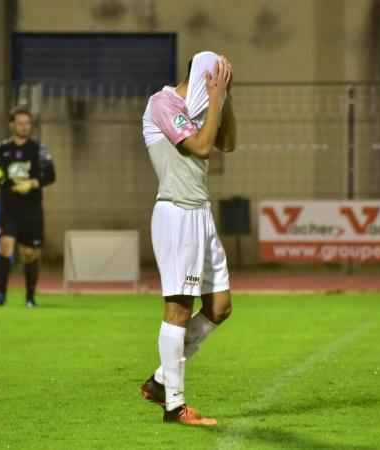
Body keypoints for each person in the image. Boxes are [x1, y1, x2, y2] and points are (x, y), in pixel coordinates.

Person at [139, 52, 236, 426]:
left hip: (200, 214)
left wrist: (227, 97)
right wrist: (213, 100)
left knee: (220, 307)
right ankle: (175, 407)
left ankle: (162, 380)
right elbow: (201, 147)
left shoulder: (203, 106)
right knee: (178, 308)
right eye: (215, 78)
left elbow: (227, 142)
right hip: (175, 213)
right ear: (199, 75)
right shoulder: (163, 103)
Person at [0, 106, 56, 308]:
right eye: (20, 123)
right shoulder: (2, 150)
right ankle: (1, 295)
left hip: (32, 210)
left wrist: (32, 183)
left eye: (27, 123)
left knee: (30, 254)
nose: (24, 127)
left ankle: (30, 297)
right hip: (9, 208)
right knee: (5, 245)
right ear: (12, 125)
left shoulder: (38, 149)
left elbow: (51, 175)